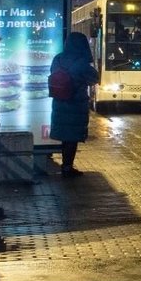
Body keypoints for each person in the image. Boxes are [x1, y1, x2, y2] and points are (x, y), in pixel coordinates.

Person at [50, 31, 99, 178]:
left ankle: (63, 164)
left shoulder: (57, 59)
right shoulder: (81, 62)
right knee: (71, 138)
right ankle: (67, 167)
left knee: (65, 136)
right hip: (75, 104)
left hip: (59, 103)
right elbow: (94, 78)